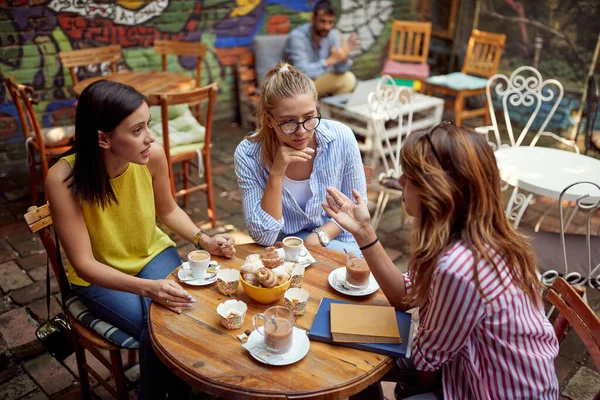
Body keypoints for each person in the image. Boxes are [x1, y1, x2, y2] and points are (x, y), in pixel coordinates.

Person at [322, 122, 559, 400]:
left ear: (436, 192)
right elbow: (406, 297)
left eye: (408, 177)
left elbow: (426, 362)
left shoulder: (459, 267)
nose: (399, 181)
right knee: (354, 352)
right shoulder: (479, 234)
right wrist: (363, 232)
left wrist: (406, 390)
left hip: (488, 390)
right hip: (470, 369)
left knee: (351, 359)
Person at [45, 80, 236, 399]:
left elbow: (168, 209)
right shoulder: (63, 179)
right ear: (103, 139)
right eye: (137, 131)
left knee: (173, 321)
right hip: (98, 276)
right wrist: (149, 289)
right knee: (161, 328)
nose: (150, 138)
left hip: (153, 254)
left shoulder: (153, 155)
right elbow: (84, 264)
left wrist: (204, 239)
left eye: (148, 125)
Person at [234, 62, 366, 252]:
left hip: (338, 237)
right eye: (288, 122)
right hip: (282, 243)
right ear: (270, 120)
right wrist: (276, 173)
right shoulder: (248, 155)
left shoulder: (340, 137)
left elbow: (357, 206)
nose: (302, 132)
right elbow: (263, 236)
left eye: (310, 117)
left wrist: (318, 237)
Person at [283, 0, 359, 96]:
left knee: (349, 79)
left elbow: (340, 70)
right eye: (322, 21)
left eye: (330, 22)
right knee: (348, 79)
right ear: (313, 19)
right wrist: (331, 60)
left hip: (316, 82)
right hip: (294, 85)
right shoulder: (297, 37)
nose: (326, 27)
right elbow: (302, 73)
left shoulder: (332, 35)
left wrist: (344, 58)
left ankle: (326, 108)